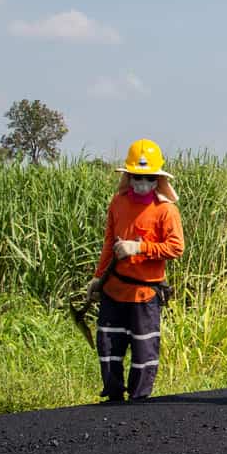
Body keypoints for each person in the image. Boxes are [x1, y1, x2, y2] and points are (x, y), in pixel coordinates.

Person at [87, 139, 184, 403]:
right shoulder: (117, 203)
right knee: (108, 347)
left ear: (158, 179)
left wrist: (139, 247)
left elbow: (176, 248)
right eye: (137, 177)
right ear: (128, 177)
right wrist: (97, 278)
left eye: (149, 177)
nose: (142, 182)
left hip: (144, 294)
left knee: (144, 352)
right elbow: (109, 242)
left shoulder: (166, 210)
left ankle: (139, 401)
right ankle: (113, 396)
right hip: (114, 289)